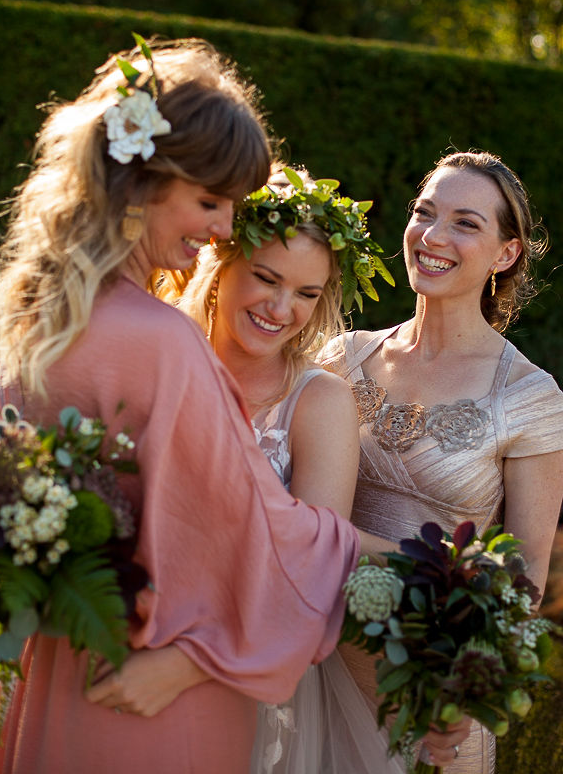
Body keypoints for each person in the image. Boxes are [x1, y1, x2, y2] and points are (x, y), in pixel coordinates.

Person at [0, 38, 364, 774]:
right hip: (156, 692)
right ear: (143, 181)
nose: (223, 228)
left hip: (55, 665)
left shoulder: (39, 316)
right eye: (209, 201)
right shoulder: (162, 340)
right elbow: (259, 533)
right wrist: (425, 562)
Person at [86, 166, 471, 772]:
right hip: (114, 635)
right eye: (266, 278)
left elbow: (310, 566)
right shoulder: (156, 355)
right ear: (219, 262)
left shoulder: (319, 400)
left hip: (244, 671)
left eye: (306, 294)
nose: (281, 308)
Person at [320, 150, 563, 774]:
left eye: (465, 223)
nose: (432, 236)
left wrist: (463, 691)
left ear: (506, 254)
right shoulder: (341, 359)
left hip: (431, 699)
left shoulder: (529, 397)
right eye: (425, 213)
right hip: (316, 671)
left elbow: (525, 578)